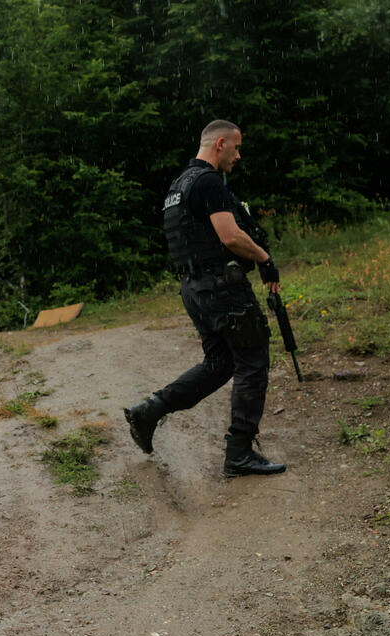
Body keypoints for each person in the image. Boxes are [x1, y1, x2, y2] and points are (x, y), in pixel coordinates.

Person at [124, 120, 286, 477]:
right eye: (236, 148)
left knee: (221, 363)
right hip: (221, 287)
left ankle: (149, 410)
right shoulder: (209, 181)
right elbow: (229, 237)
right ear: (221, 144)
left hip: (194, 288)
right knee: (253, 359)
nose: (239, 155)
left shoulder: (178, 186)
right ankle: (239, 452)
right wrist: (264, 259)